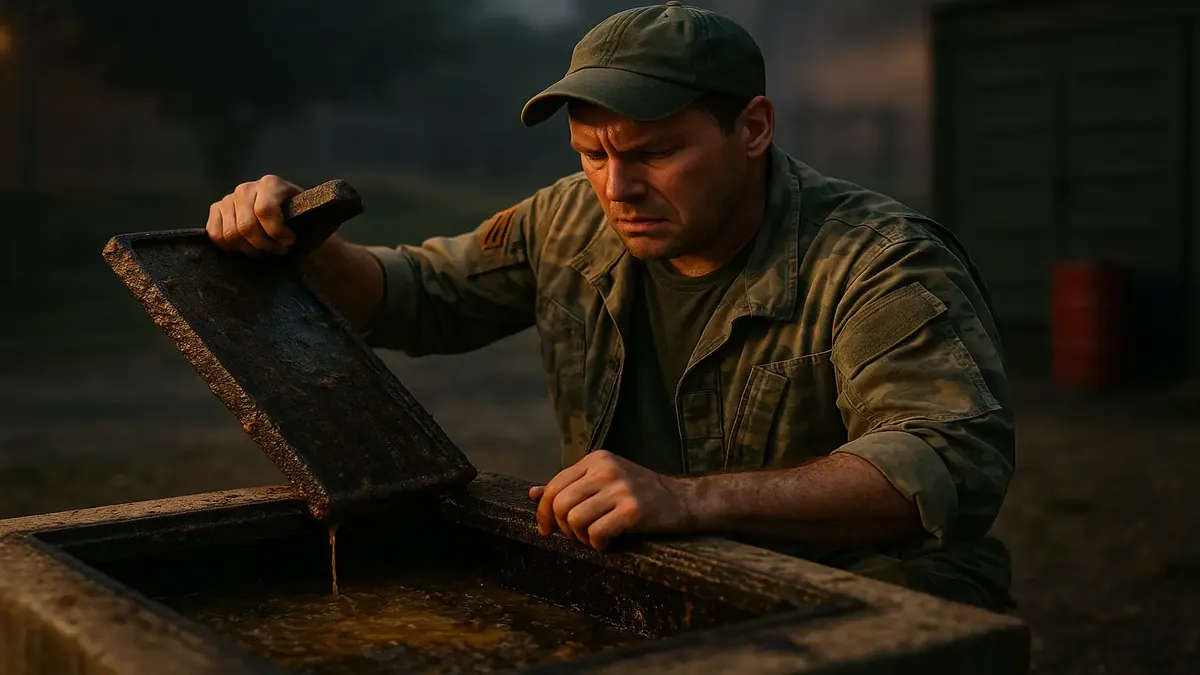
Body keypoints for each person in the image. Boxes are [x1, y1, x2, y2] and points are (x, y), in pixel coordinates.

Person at [205, 2, 1016, 613]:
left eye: (657, 153)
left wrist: (690, 500)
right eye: (592, 154)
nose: (617, 188)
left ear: (754, 128)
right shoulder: (570, 218)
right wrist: (304, 241)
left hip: (848, 591)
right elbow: (414, 296)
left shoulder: (879, 258)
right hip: (656, 584)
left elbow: (944, 460)